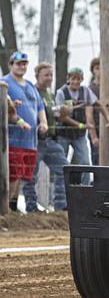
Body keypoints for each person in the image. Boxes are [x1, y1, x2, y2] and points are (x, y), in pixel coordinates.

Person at [1, 52, 48, 211]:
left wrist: (43, 122)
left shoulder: (30, 86)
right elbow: (6, 108)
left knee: (21, 176)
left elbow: (40, 107)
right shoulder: (4, 83)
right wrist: (18, 119)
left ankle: (13, 208)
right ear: (11, 65)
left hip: (30, 141)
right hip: (12, 140)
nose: (22, 66)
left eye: (24, 64)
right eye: (18, 63)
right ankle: (5, 208)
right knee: (12, 174)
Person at [22, 62, 69, 212]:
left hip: (51, 140)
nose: (49, 78)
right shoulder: (31, 92)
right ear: (37, 77)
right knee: (31, 175)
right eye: (46, 75)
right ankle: (31, 207)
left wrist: (62, 113)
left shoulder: (50, 95)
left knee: (65, 169)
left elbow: (54, 116)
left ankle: (61, 206)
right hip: (35, 140)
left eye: (51, 75)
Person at [55, 67, 96, 180]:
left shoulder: (85, 91)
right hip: (64, 133)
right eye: (73, 79)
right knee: (61, 164)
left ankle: (85, 189)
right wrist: (80, 125)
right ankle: (62, 191)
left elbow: (93, 105)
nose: (76, 82)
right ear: (68, 79)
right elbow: (62, 116)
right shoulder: (61, 93)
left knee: (85, 163)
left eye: (79, 79)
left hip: (80, 135)